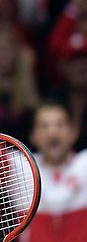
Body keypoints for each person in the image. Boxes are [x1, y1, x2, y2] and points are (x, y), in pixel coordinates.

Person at [21, 101, 87, 242]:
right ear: (32, 135)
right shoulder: (19, 166)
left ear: (73, 132)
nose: (52, 132)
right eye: (44, 126)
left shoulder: (84, 163)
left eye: (60, 125)